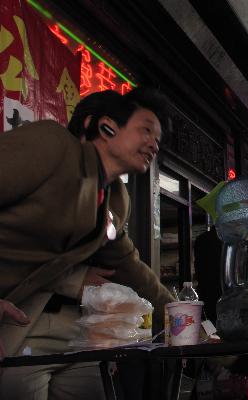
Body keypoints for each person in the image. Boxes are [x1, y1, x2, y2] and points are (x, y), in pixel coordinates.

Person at [0, 89, 176, 399]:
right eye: (146, 130)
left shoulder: (115, 200)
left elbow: (129, 266)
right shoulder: (52, 146)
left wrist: (182, 316)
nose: (154, 145)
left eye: (158, 139)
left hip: (62, 330)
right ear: (105, 127)